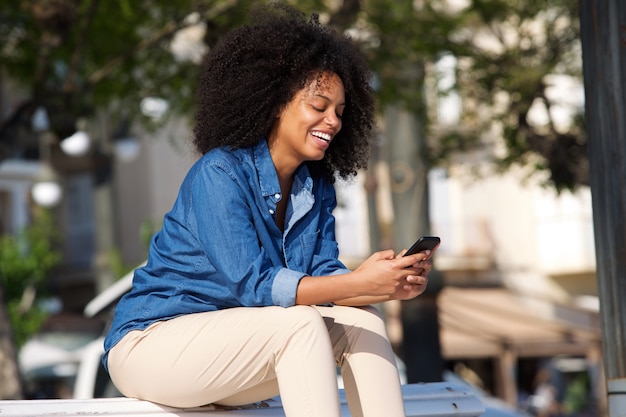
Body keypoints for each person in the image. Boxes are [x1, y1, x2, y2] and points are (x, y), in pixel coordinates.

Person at [103, 4, 432, 417]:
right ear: (277, 102)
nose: (332, 121)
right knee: (300, 325)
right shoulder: (220, 172)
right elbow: (256, 288)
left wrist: (383, 285)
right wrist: (357, 284)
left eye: (341, 112)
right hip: (151, 346)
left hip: (236, 350)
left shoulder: (316, 186)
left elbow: (323, 278)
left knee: (363, 324)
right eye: (319, 106)